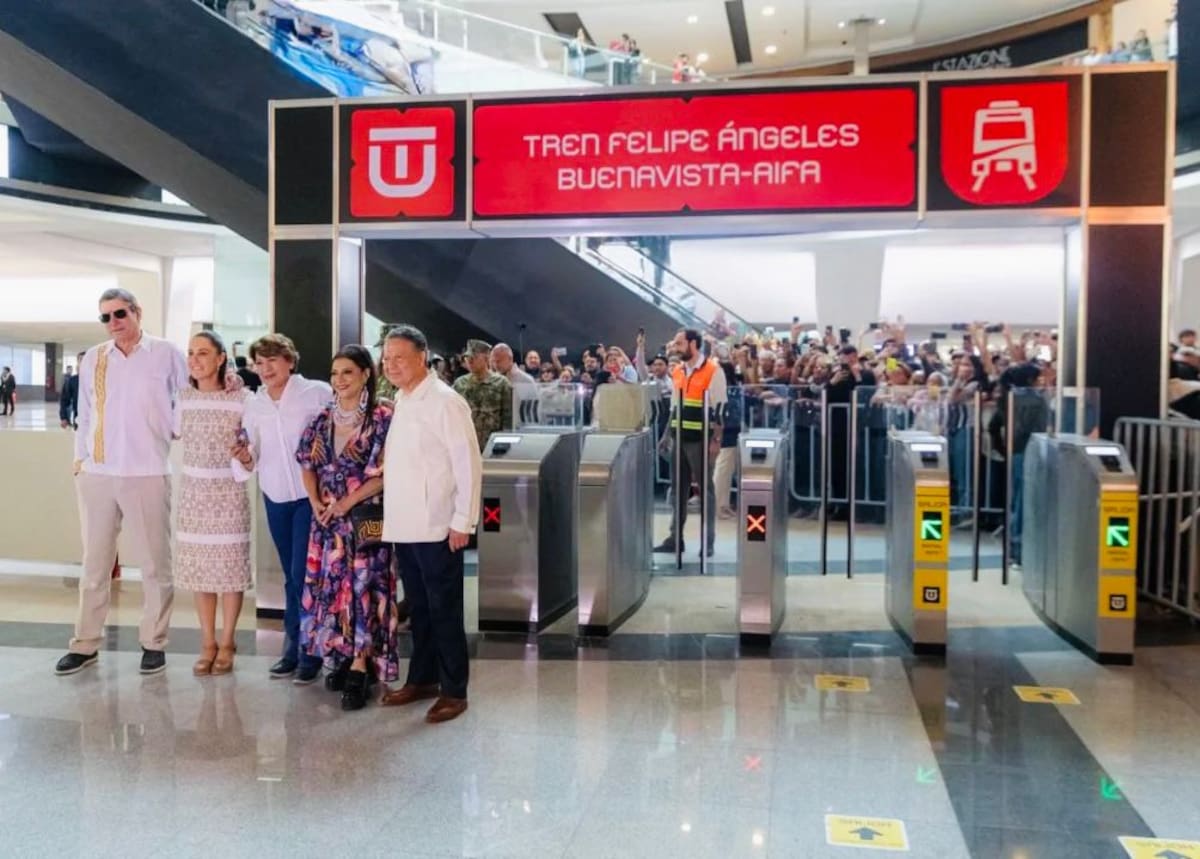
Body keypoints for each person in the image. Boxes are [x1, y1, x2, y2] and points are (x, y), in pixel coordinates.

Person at [55, 288, 189, 676]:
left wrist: (172, 429)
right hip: (98, 474)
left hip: (148, 471)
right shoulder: (96, 358)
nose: (114, 323)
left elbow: (186, 399)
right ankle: (85, 643)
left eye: (119, 314)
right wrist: (79, 462)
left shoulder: (166, 353)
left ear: (137, 312)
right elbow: (83, 413)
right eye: (106, 317)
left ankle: (153, 642)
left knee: (154, 564)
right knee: (95, 564)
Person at [379, 325, 481, 724]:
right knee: (418, 609)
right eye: (387, 359)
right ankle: (422, 678)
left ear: (422, 356)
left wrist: (463, 521)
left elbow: (467, 464)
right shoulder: (403, 399)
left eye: (399, 358)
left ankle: (455, 689)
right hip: (405, 522)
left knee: (444, 610)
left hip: (438, 524)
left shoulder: (445, 401)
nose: (391, 366)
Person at [294, 345, 396, 710]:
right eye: (335, 373)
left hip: (363, 519)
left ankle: (360, 665)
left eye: (348, 372)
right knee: (331, 590)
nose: (339, 380)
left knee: (363, 589)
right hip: (326, 523)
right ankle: (340, 653)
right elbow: (306, 462)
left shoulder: (383, 416)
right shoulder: (322, 418)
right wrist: (315, 501)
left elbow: (385, 473)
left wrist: (346, 503)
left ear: (366, 374)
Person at [232, 333, 331, 682]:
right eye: (259, 363)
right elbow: (251, 450)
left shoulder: (316, 392)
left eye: (272, 360)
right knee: (292, 576)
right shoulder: (254, 403)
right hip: (274, 495)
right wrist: (245, 457)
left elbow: (336, 435)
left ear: (290, 360)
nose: (265, 368)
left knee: (304, 574)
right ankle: (295, 647)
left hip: (311, 496)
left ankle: (309, 652)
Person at [176, 331, 252, 676]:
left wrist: (247, 455)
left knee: (229, 572)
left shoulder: (242, 399)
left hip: (228, 493)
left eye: (203, 352)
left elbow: (253, 450)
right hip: (193, 495)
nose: (195, 359)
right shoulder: (182, 399)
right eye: (191, 352)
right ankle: (206, 642)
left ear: (221, 357)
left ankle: (227, 640)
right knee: (202, 575)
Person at [655, 328, 726, 558]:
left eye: (679, 343)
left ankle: (708, 541)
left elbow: (721, 409)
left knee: (705, 489)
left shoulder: (713, 371)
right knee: (678, 489)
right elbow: (675, 406)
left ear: (693, 344)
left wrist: (716, 440)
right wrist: (666, 435)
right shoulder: (678, 370)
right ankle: (676, 538)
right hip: (679, 437)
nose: (675, 348)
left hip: (701, 439)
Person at [453, 339, 513, 451]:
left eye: (474, 357)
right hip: (465, 445)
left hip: (491, 445)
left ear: (486, 358)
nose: (469, 361)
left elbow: (508, 419)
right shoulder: (460, 384)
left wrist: (504, 444)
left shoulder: (501, 384)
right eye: (467, 357)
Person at [59, 364, 79, 429]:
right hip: (77, 416)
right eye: (80, 360)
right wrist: (63, 417)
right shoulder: (71, 379)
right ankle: (68, 421)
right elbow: (64, 400)